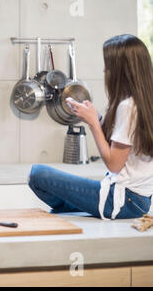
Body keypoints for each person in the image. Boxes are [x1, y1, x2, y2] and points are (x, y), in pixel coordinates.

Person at [28, 34, 153, 220]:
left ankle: (75, 207)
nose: (105, 71)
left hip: (120, 200)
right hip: (137, 200)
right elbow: (126, 143)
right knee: (54, 207)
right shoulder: (143, 102)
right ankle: (76, 208)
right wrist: (96, 118)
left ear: (121, 71)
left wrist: (93, 124)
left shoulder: (127, 107)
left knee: (37, 175)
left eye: (108, 66)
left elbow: (114, 164)